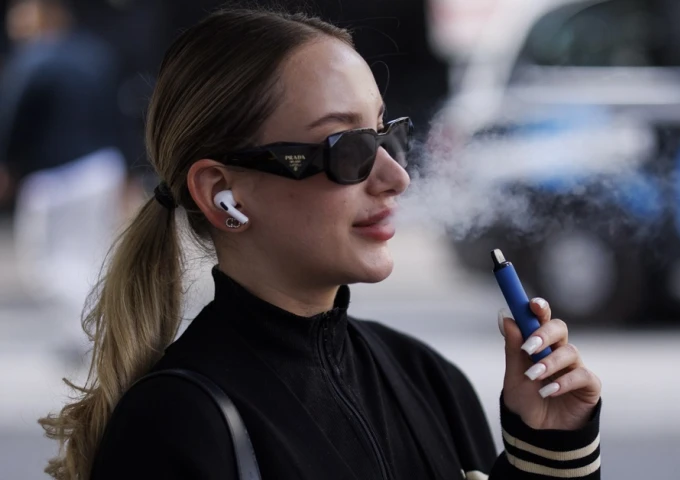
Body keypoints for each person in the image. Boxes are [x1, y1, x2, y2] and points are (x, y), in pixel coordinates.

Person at [39, 8, 603, 480]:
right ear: (223, 195)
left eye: (387, 136)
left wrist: (549, 447)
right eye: (346, 148)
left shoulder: (429, 378)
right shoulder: (175, 425)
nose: (396, 176)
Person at [0, 0, 126, 348]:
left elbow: (13, 122)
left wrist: (7, 166)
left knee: (46, 267)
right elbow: (118, 117)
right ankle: (103, 331)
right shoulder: (97, 54)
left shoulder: (33, 60)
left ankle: (95, 332)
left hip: (56, 177)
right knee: (89, 257)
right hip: (103, 168)